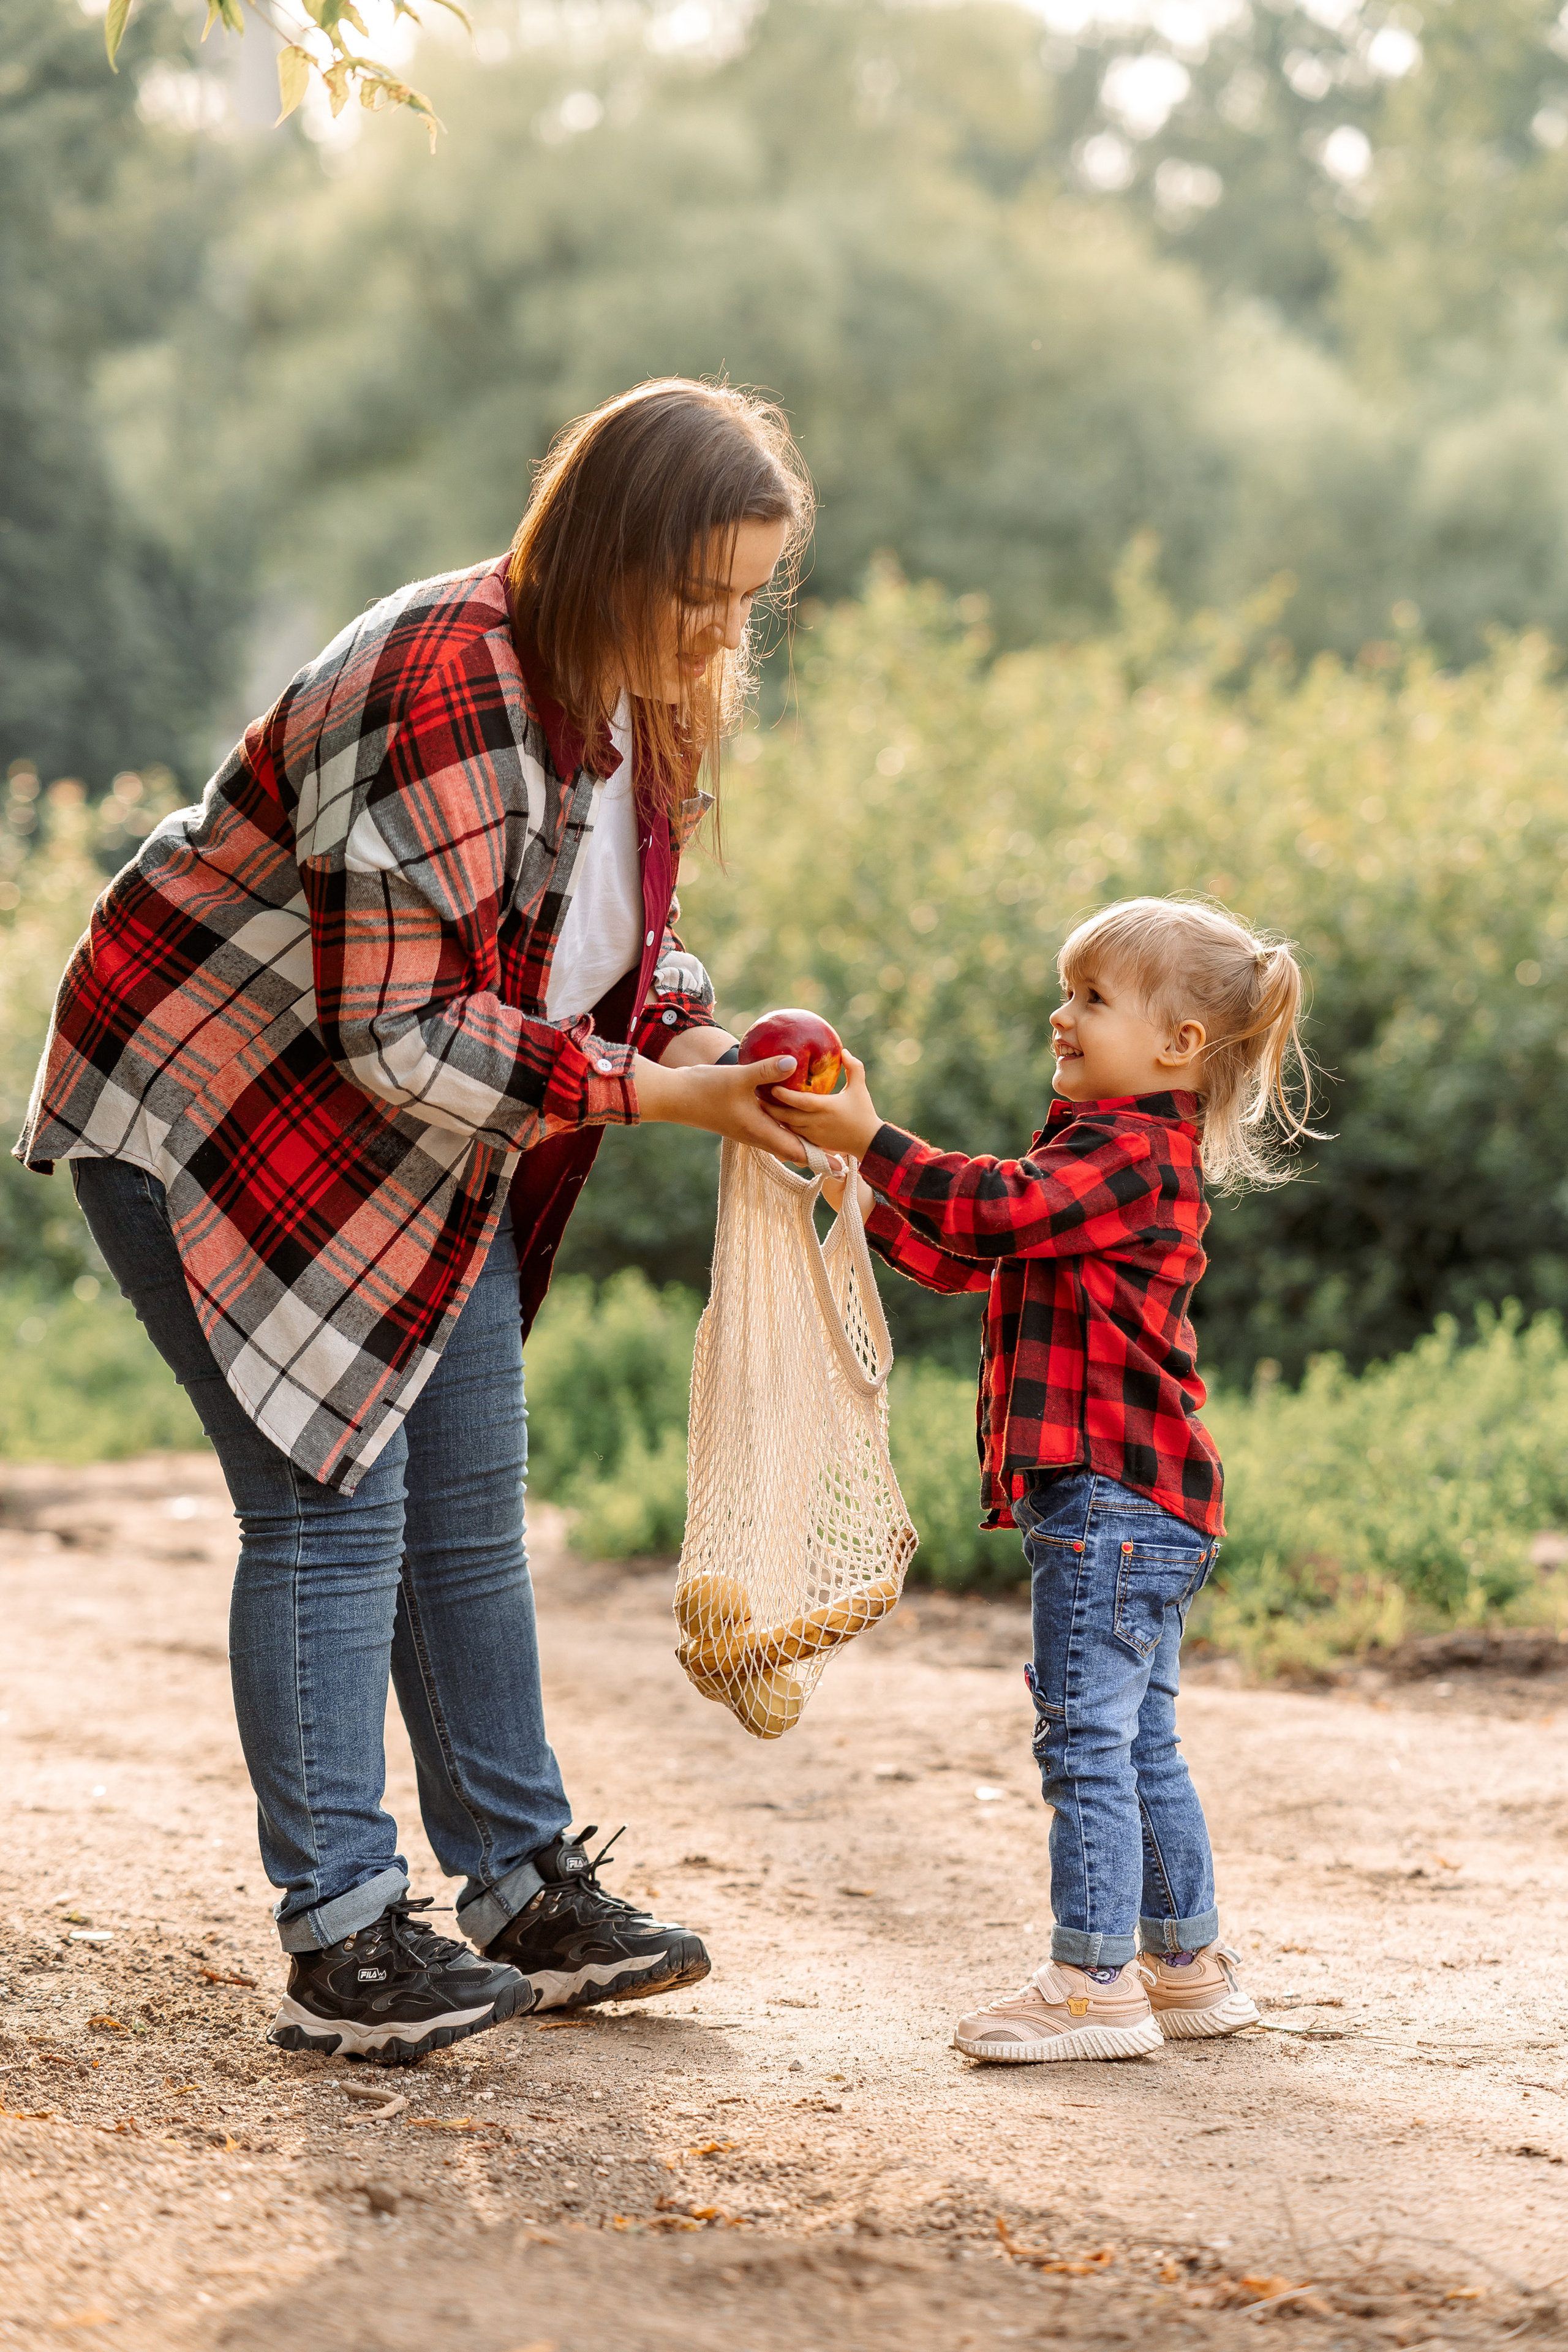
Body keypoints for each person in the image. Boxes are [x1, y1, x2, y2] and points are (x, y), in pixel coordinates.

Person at [14, 379, 813, 2065]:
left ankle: (520, 1887)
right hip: (221, 1112)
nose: (719, 636)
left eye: (746, 600)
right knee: (329, 1508)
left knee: (463, 1506)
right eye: (698, 595)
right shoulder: (442, 679)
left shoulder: (633, 699)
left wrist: (696, 1041)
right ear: (605, 553)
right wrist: (646, 1095)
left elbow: (595, 941)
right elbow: (394, 1032)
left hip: (418, 1146)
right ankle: (342, 1938)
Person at [773, 895, 1315, 2063]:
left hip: (1111, 1499)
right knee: (1139, 1742)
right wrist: (852, 1186)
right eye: (1067, 992)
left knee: (1084, 1743)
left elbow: (996, 1208)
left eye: (1092, 998)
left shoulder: (1130, 1152)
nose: (1061, 1015)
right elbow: (974, 1253)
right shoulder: (1106, 1150)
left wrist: (877, 1140)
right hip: (1142, 1501)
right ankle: (1184, 1965)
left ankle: (1092, 1983)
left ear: (1178, 1044)